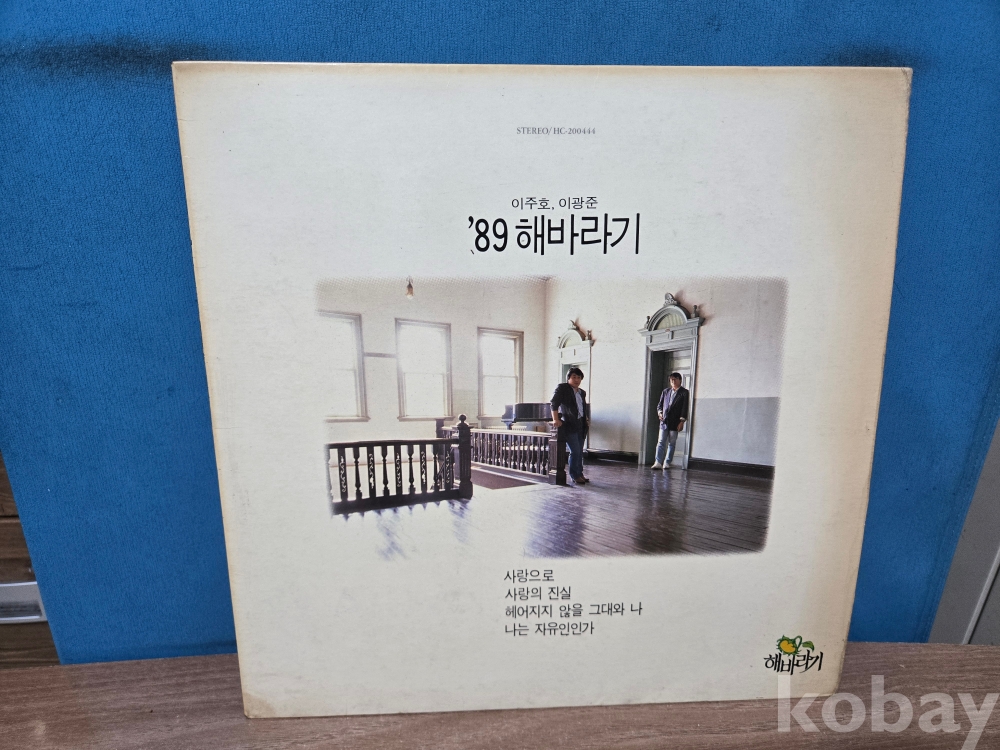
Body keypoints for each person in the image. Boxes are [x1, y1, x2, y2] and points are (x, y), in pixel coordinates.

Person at [550, 367, 589, 484]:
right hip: (570, 424)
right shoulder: (562, 388)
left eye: (579, 377)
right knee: (575, 451)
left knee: (580, 451)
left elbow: (582, 407)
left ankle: (580, 473)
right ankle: (574, 475)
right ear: (568, 378)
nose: (576, 380)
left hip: (581, 424)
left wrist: (586, 418)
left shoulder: (582, 392)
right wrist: (555, 419)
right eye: (574, 377)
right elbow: (554, 403)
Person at [652, 372, 689, 469]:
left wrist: (682, 421)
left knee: (671, 443)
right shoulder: (666, 391)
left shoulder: (684, 392)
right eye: (671, 380)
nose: (673, 381)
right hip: (664, 421)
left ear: (680, 380)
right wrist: (660, 413)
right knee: (660, 442)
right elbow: (659, 405)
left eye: (675, 379)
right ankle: (658, 462)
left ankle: (667, 462)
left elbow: (684, 408)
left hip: (675, 422)